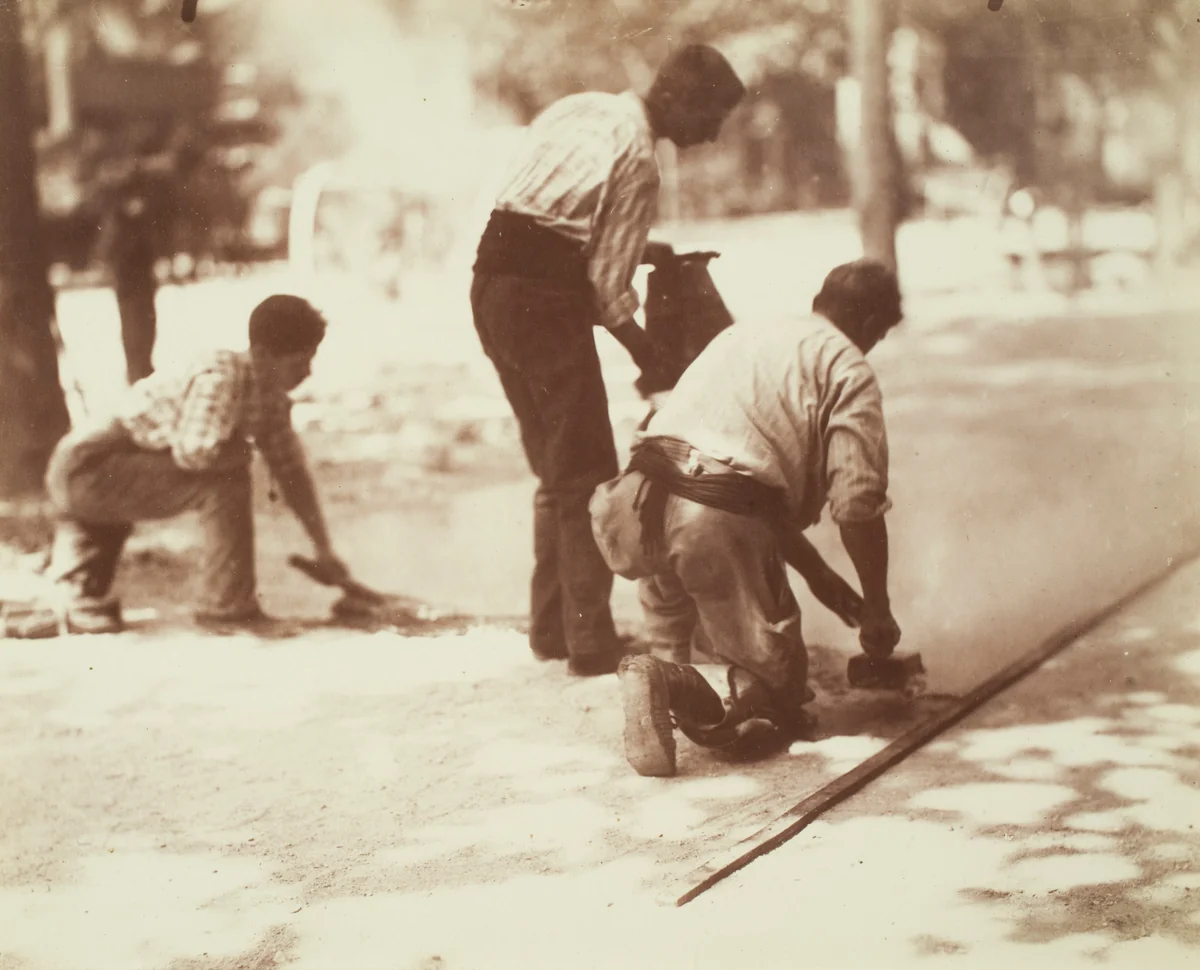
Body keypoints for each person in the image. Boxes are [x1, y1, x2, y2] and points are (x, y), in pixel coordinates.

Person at [470, 44, 746, 677]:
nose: (711, 134)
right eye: (711, 115)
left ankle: (551, 629)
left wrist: (641, 247)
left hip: (491, 289)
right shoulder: (641, 165)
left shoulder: (583, 108)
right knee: (589, 472)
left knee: (554, 468)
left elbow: (546, 218)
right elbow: (607, 291)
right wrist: (654, 359)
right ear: (676, 100)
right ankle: (590, 643)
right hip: (544, 307)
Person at [589, 260, 905, 776]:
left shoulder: (749, 331)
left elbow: (737, 477)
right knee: (778, 699)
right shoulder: (847, 366)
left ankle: (664, 676)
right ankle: (674, 683)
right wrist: (877, 608)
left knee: (683, 625)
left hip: (635, 501)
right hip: (708, 520)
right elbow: (857, 504)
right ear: (872, 326)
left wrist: (820, 576)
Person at [6, 295, 349, 639]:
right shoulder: (222, 376)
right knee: (227, 479)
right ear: (261, 355)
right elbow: (194, 454)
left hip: (104, 475)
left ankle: (68, 598)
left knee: (83, 604)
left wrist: (324, 548)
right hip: (87, 468)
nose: (307, 372)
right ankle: (228, 608)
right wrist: (243, 452)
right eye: (299, 362)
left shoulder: (269, 397)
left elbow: (292, 474)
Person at [99, 170, 162, 384]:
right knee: (134, 332)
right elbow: (110, 254)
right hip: (128, 288)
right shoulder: (118, 224)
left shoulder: (141, 222)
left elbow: (151, 252)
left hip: (144, 286)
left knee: (148, 329)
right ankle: (136, 374)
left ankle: (144, 369)